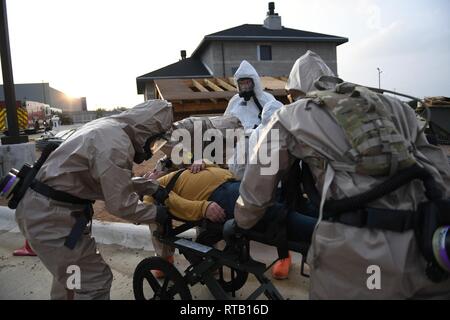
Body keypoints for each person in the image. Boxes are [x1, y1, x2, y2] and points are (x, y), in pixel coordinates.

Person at [234, 50, 450, 299]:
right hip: (428, 245)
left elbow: (256, 188)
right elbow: (439, 170)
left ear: (295, 92)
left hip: (356, 254)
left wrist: (241, 222)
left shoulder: (290, 117)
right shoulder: (394, 106)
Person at [14, 100, 173, 300]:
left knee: (71, 279)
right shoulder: (115, 145)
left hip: (49, 213)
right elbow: (120, 204)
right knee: (93, 282)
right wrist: (157, 213)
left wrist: (152, 187)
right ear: (146, 130)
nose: (152, 148)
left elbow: (111, 180)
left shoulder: (109, 130)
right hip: (53, 220)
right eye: (154, 141)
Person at [143, 160, 317, 278]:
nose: (151, 173)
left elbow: (198, 158)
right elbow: (173, 204)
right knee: (276, 215)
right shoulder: (154, 191)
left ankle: (337, 218)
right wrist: (203, 208)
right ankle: (331, 232)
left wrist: (202, 161)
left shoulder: (175, 169)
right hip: (221, 196)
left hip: (234, 183)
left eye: (151, 172)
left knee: (289, 200)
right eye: (145, 177)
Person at [225, 60, 283, 179]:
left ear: (254, 82)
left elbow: (277, 121)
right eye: (242, 84)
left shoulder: (267, 99)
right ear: (238, 84)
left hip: (261, 146)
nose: (245, 87)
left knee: (260, 178)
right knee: (239, 177)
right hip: (239, 147)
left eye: (247, 83)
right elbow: (225, 123)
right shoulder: (235, 101)